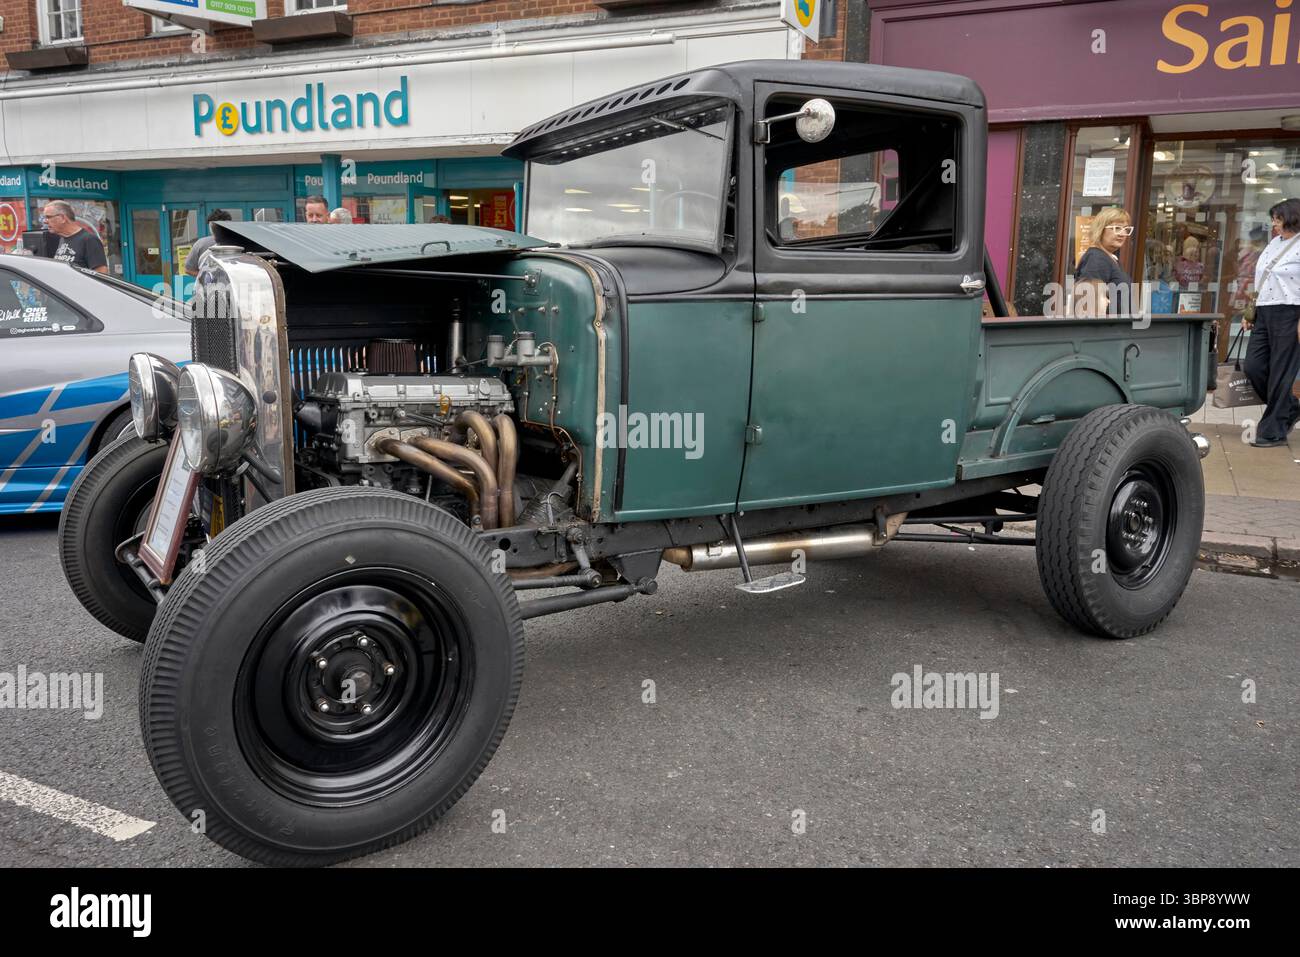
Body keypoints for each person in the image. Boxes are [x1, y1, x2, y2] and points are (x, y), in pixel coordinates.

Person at [1242, 198, 1300, 448]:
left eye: (1277, 218)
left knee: (1281, 371)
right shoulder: (1274, 243)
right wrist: (1250, 313)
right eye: (1274, 218)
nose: (1274, 223)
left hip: (1291, 311)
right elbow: (1262, 278)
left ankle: (1273, 429)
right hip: (1265, 310)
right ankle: (1291, 408)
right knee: (1253, 366)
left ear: (1291, 217)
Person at [1073, 206, 1133, 317]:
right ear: (1100, 229)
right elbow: (1089, 306)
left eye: (1126, 229)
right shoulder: (1097, 258)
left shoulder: (1109, 258)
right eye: (1117, 228)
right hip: (1105, 330)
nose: (1122, 234)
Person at [41, 201, 108, 273]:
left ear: (63, 218)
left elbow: (101, 273)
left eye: (48, 217)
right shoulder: (63, 238)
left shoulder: (89, 239)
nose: (45, 221)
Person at [184, 209, 233, 277]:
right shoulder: (239, 243)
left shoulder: (201, 243)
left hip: (208, 286)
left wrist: (207, 278)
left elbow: (188, 270)